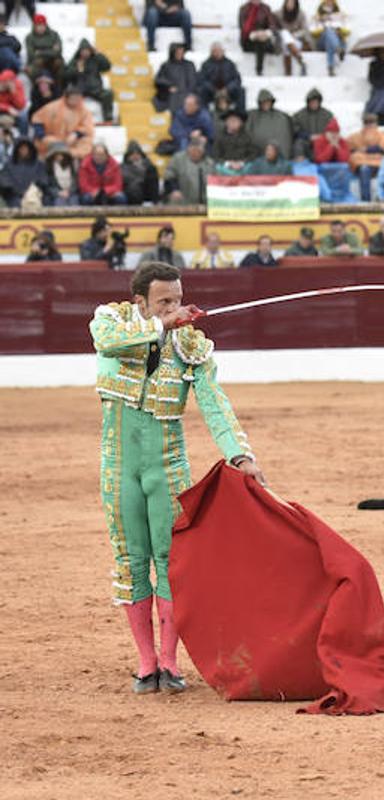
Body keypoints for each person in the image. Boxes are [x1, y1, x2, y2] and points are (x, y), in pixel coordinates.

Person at [93, 261, 264, 693]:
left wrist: (239, 455)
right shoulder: (112, 321)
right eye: (163, 301)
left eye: (177, 298)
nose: (174, 307)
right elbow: (108, 345)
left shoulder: (192, 346)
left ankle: (169, 662)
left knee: (171, 564)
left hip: (168, 468)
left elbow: (214, 404)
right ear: (140, 303)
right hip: (119, 468)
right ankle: (145, 663)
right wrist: (163, 326)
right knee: (131, 562)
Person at [34, 85, 96, 158]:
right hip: (53, 139)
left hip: (73, 141)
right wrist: (42, 135)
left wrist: (76, 134)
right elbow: (38, 119)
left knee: (86, 142)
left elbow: (87, 127)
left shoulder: (84, 111)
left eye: (78, 98)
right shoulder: (52, 107)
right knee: (44, 142)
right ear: (66, 97)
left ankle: (71, 156)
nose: (75, 100)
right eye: (73, 98)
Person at [64, 38, 115, 123]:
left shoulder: (95, 59)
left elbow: (107, 66)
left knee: (108, 94)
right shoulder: (75, 61)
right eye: (83, 50)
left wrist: (98, 54)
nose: (85, 53)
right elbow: (66, 75)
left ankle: (108, 118)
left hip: (95, 89)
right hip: (79, 90)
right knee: (69, 98)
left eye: (87, 50)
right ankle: (73, 121)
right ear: (80, 51)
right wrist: (77, 70)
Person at [347, 112, 384, 201]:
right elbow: (348, 148)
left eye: (371, 122)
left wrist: (366, 150)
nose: (369, 125)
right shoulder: (356, 136)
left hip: (379, 163)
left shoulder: (382, 134)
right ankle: (366, 201)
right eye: (367, 122)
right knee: (364, 169)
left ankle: (383, 198)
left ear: (376, 123)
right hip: (363, 164)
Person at [0, 137, 49, 207]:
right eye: (21, 148)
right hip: (14, 197)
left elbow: (43, 181)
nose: (24, 150)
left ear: (30, 149)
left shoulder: (39, 165)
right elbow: (4, 182)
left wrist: (31, 191)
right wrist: (19, 191)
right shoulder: (9, 165)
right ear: (17, 150)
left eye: (26, 148)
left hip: (35, 195)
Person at [196, 42, 245, 111]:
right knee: (201, 91)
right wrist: (214, 90)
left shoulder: (230, 63)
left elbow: (237, 79)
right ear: (211, 52)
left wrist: (227, 89)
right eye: (215, 51)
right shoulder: (206, 64)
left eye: (219, 51)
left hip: (227, 91)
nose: (217, 53)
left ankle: (240, 115)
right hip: (212, 92)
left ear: (223, 51)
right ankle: (204, 116)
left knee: (241, 91)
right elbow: (202, 80)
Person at [238, 0, 281, 76]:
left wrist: (265, 33)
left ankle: (259, 69)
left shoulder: (266, 8)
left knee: (262, 43)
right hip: (248, 39)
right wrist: (255, 34)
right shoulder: (243, 9)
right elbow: (243, 26)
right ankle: (259, 70)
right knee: (260, 43)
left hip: (264, 37)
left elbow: (272, 25)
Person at [163, 138, 212, 205]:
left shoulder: (209, 163)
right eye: (193, 151)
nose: (195, 154)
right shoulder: (178, 159)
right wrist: (174, 190)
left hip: (203, 202)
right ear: (188, 149)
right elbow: (169, 176)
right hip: (181, 200)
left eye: (198, 152)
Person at [154, 43, 196, 114]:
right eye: (177, 53)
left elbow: (194, 81)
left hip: (187, 93)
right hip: (172, 94)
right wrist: (169, 86)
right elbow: (158, 79)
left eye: (181, 52)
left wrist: (189, 91)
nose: (180, 54)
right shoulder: (166, 65)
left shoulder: (189, 65)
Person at [311, 0, 348, 76]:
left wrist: (339, 31)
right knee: (328, 31)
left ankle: (330, 67)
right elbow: (313, 32)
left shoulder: (340, 15)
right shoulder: (317, 16)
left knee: (330, 39)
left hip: (334, 41)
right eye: (327, 2)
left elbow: (347, 31)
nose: (329, 3)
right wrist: (321, 25)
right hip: (321, 43)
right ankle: (338, 49)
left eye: (331, 2)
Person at [24, 14, 62, 83]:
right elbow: (31, 54)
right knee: (31, 68)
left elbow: (58, 52)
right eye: (38, 25)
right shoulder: (29, 37)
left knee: (59, 63)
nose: (41, 27)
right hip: (36, 62)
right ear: (34, 26)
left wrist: (40, 52)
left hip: (52, 61)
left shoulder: (54, 35)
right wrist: (51, 50)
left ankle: (58, 88)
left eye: (42, 25)